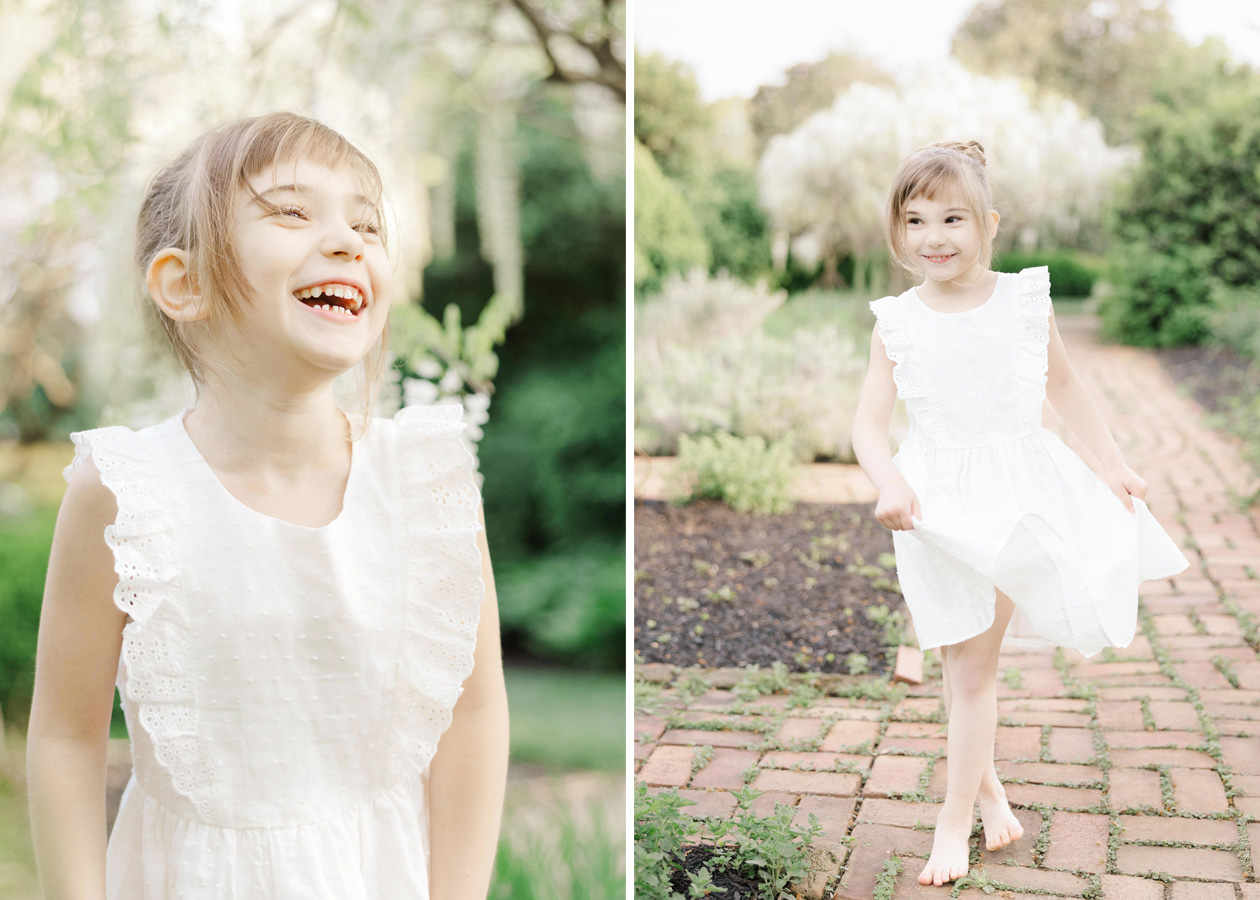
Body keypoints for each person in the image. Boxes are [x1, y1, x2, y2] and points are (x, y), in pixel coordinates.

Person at [26, 111, 509, 900]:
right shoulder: (123, 492)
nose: (348, 240)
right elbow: (66, 738)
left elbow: (474, 715)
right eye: (290, 211)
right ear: (185, 283)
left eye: (366, 223)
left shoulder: (429, 480)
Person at [851, 140, 1188, 887]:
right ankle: (990, 792)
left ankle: (952, 820)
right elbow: (868, 425)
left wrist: (1113, 464)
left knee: (974, 667)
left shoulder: (1023, 303)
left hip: (1011, 498)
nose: (934, 237)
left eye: (953, 218)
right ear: (897, 230)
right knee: (955, 658)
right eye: (915, 220)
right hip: (934, 505)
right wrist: (889, 482)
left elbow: (1064, 388)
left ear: (989, 223)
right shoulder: (897, 322)